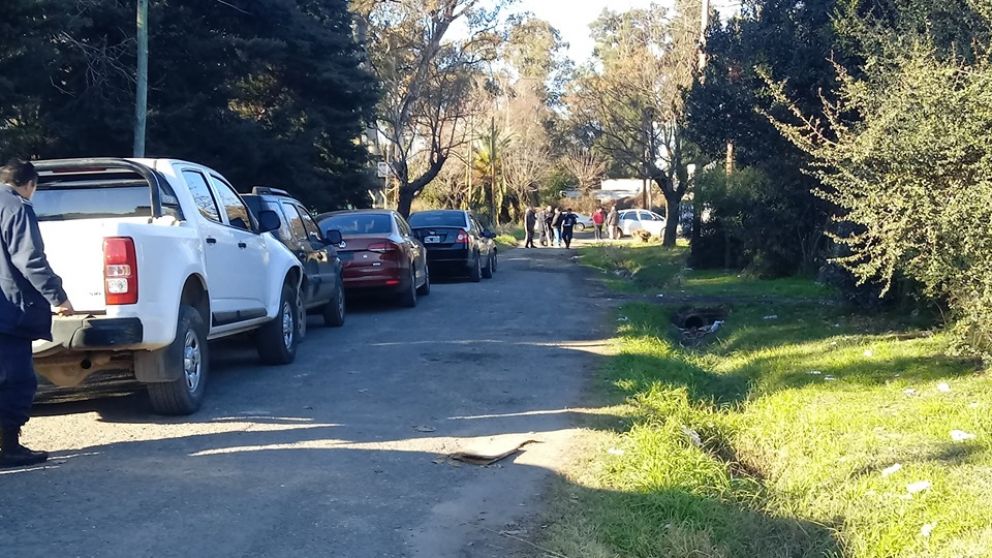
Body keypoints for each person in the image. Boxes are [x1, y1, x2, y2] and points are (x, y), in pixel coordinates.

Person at [0, 159, 72, 468]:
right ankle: (9, 447)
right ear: (30, 184)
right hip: (9, 310)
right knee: (16, 380)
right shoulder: (17, 207)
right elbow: (29, 259)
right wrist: (59, 297)